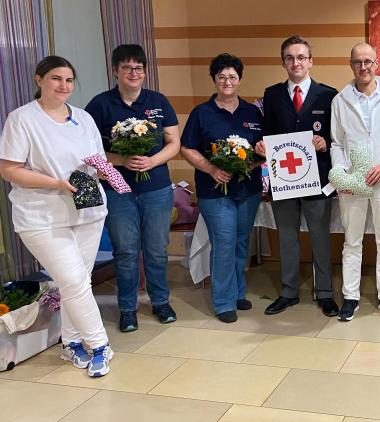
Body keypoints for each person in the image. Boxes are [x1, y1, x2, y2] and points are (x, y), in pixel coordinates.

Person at [0, 56, 113, 377]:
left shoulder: (83, 118)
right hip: (42, 216)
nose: (63, 86)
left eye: (69, 80)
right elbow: (9, 169)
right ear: (39, 80)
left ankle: (71, 343)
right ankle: (100, 345)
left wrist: (106, 173)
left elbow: (98, 160)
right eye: (55, 79)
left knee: (75, 283)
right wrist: (57, 183)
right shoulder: (22, 119)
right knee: (74, 280)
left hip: (88, 211)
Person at [85, 44, 180, 333]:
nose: (133, 73)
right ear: (115, 71)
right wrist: (122, 159)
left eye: (138, 68)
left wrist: (151, 160)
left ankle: (160, 302)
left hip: (157, 189)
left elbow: (174, 143)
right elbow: (91, 151)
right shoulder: (100, 105)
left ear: (144, 71)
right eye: (127, 68)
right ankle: (127, 308)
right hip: (118, 190)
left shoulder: (158, 101)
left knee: (156, 249)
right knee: (125, 251)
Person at [330, 42, 380, 321]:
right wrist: (341, 173)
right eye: (357, 62)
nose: (363, 67)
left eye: (368, 61)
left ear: (377, 64)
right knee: (352, 242)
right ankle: (351, 296)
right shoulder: (340, 101)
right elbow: (336, 143)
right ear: (351, 64)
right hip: (353, 182)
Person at [258, 36, 339, 318]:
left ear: (310, 61)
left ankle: (325, 292)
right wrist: (261, 145)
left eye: (301, 57)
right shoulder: (271, 95)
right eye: (290, 58)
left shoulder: (329, 95)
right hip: (284, 178)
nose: (296, 62)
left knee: (320, 237)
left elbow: (338, 137)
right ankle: (289, 291)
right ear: (283, 63)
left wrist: (325, 142)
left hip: (317, 178)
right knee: (287, 237)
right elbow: (266, 133)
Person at [180, 53, 263, 323]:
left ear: (240, 80)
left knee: (241, 242)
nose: (227, 81)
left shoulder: (252, 113)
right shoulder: (202, 113)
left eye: (232, 77)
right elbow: (186, 148)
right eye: (221, 76)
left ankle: (238, 291)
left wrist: (252, 162)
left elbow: (263, 148)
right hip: (214, 191)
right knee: (224, 243)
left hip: (248, 190)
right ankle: (223, 301)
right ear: (214, 80)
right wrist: (212, 169)